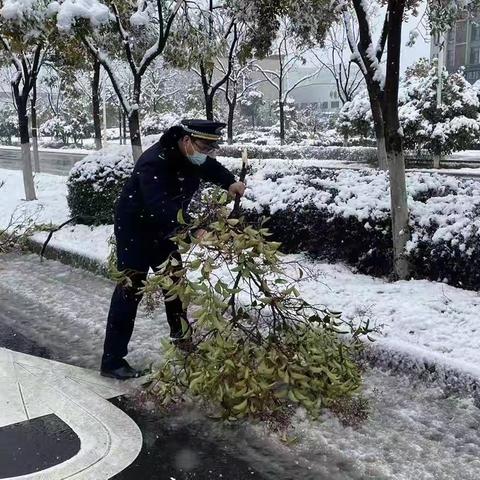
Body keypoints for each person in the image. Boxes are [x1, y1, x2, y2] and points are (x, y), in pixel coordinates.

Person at [100, 119, 246, 380]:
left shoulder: (189, 155)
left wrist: (230, 182)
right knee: (130, 290)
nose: (207, 153)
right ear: (187, 140)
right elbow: (160, 206)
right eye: (203, 147)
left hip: (163, 229)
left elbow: (208, 167)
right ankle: (112, 361)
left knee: (174, 281)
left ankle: (181, 338)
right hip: (136, 229)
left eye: (211, 148)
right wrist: (192, 230)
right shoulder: (153, 161)